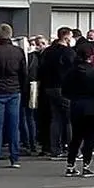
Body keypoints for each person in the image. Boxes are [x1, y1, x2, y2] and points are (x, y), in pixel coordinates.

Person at [0, 24, 29, 169]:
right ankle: (14, 158)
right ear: (11, 34)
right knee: (14, 125)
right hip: (15, 91)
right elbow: (24, 74)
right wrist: (23, 90)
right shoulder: (19, 52)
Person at [62, 42, 94, 177]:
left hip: (76, 105)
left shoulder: (71, 71)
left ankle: (70, 165)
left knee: (76, 136)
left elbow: (64, 91)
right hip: (93, 106)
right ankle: (86, 166)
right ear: (91, 55)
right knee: (90, 137)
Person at [38, 28, 77, 159]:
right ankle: (72, 148)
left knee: (55, 118)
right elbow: (73, 71)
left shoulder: (47, 51)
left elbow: (41, 69)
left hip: (49, 87)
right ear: (66, 38)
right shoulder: (69, 52)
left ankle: (55, 149)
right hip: (64, 88)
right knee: (69, 120)